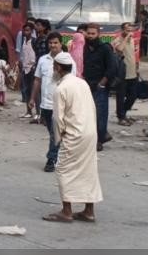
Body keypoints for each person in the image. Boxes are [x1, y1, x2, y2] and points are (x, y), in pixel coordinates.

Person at [42, 52, 103, 224]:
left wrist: (58, 138)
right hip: (89, 132)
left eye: (54, 67)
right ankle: (89, 211)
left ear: (58, 68)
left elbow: (57, 119)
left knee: (63, 169)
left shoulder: (61, 89)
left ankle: (66, 211)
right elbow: (92, 108)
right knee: (88, 170)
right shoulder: (82, 83)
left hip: (74, 134)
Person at [30, 32, 75, 173]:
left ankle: (51, 159)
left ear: (61, 44)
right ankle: (62, 156)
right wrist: (32, 98)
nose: (53, 45)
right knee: (54, 132)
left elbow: (72, 82)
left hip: (61, 104)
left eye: (55, 42)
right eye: (50, 43)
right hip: (46, 104)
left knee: (55, 133)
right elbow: (37, 80)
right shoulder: (43, 60)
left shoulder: (68, 60)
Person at [83, 23, 117, 151]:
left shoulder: (105, 48)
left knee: (100, 114)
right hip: (86, 85)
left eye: (93, 34)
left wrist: (102, 83)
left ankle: (99, 140)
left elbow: (112, 67)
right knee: (88, 114)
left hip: (100, 86)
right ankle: (98, 136)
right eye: (88, 33)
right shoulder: (84, 48)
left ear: (98, 34)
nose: (90, 36)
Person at [112, 23, 138, 126]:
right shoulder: (117, 40)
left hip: (132, 72)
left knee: (133, 95)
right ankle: (121, 117)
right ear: (122, 30)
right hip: (122, 73)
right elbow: (119, 49)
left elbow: (132, 54)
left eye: (131, 30)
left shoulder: (132, 40)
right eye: (127, 30)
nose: (130, 32)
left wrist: (136, 67)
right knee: (121, 96)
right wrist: (126, 37)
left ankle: (123, 112)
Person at [19, 22, 37, 117]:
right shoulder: (24, 41)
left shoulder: (34, 41)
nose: (25, 32)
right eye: (24, 30)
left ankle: (37, 112)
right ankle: (29, 111)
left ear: (32, 31)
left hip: (32, 68)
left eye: (28, 30)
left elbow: (35, 55)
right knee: (26, 90)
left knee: (34, 91)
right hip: (25, 68)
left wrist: (34, 65)